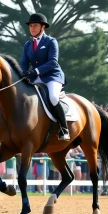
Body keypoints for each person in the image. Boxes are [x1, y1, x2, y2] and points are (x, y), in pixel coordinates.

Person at [20, 13, 69, 141]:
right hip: (36, 77)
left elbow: (53, 62)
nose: (32, 28)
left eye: (35, 25)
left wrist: (35, 71)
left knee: (53, 97)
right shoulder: (28, 45)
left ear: (43, 27)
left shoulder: (51, 41)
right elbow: (24, 62)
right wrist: (24, 72)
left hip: (52, 76)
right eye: (30, 26)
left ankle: (64, 129)